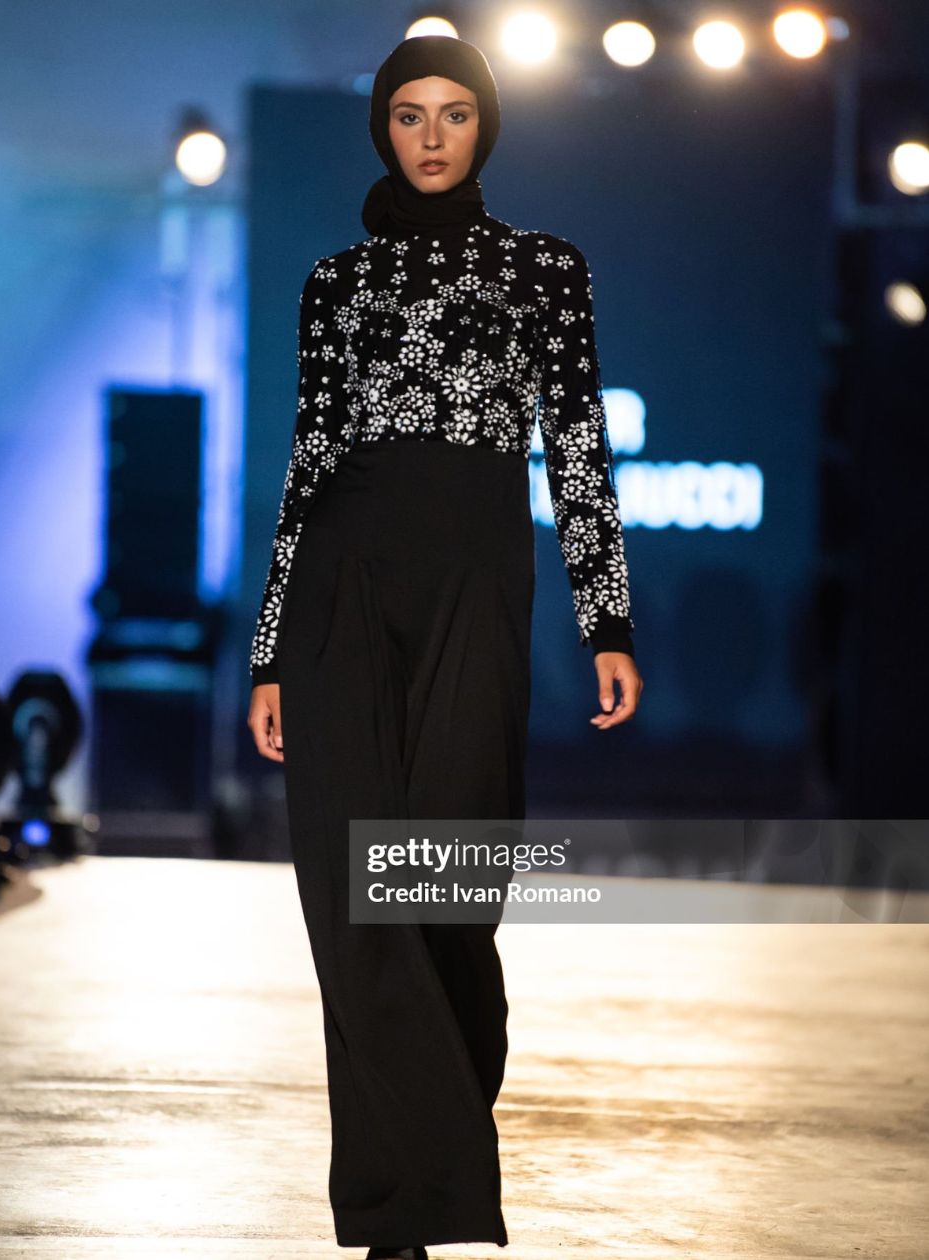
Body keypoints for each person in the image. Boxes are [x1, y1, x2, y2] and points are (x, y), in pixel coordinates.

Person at [247, 33, 644, 1260]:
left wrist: (606, 619)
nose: (429, 134)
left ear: (487, 128)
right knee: (351, 905)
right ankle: (399, 1216)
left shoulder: (544, 272)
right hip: (342, 590)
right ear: (383, 127)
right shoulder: (337, 284)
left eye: (453, 113)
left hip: (477, 581)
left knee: (445, 889)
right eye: (408, 113)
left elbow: (578, 449)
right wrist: (269, 649)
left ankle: (427, 1174)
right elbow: (307, 469)